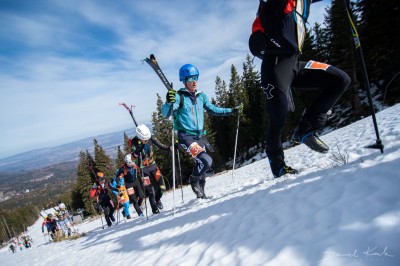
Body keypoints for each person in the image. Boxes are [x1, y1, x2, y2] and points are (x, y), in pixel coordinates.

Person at [251, 0, 350, 178]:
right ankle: (279, 168)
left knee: (340, 80)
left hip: (295, 64)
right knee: (278, 118)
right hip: (274, 66)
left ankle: (307, 128)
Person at [161, 64, 242, 199]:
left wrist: (232, 110)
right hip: (186, 138)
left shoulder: (201, 96)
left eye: (196, 78)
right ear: (184, 80)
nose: (194, 81)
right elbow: (165, 114)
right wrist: (168, 102)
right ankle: (193, 180)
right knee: (206, 161)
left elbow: (214, 109)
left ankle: (202, 196)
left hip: (199, 137)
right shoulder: (179, 97)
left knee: (202, 165)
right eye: (191, 78)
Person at [130, 124, 170, 214]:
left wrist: (169, 148)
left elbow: (160, 145)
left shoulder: (151, 138)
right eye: (144, 140)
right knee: (151, 191)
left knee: (162, 187)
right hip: (143, 170)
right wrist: (137, 150)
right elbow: (132, 156)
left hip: (153, 166)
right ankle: (154, 209)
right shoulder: (134, 141)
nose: (146, 140)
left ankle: (158, 199)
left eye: (147, 139)